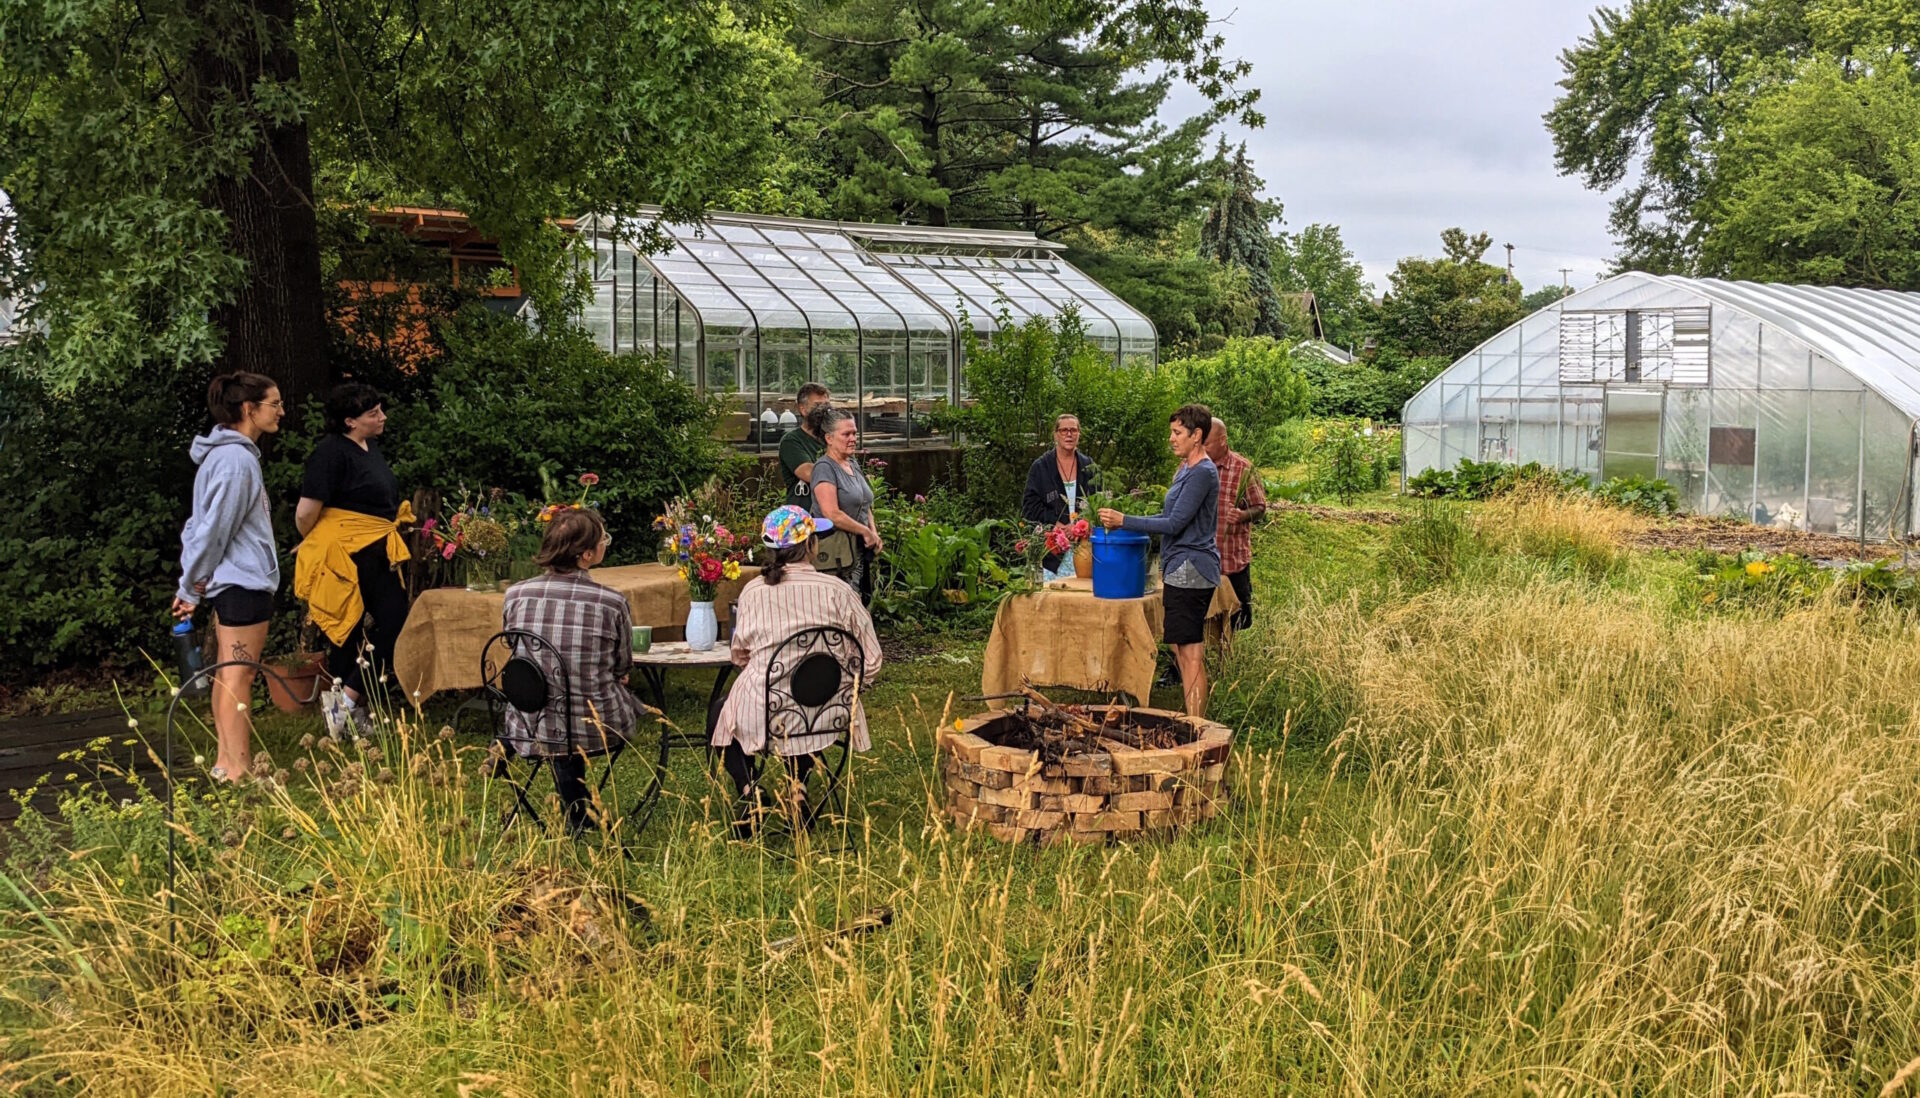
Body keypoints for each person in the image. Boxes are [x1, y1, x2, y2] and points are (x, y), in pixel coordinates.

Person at [712, 506, 882, 836]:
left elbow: (739, 653)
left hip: (767, 713)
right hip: (827, 710)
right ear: (811, 546)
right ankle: (796, 789)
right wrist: (850, 683)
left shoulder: (754, 592)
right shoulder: (838, 591)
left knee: (722, 713)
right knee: (807, 694)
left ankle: (750, 793)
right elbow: (871, 658)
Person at [499, 508, 645, 835]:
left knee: (550, 701)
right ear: (587, 554)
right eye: (603, 539)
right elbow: (623, 664)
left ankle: (507, 744)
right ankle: (579, 810)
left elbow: (513, 647)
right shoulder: (611, 601)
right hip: (595, 725)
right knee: (602, 698)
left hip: (528, 721)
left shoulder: (515, 594)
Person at [172, 372, 285, 782]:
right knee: (240, 675)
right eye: (274, 404)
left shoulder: (223, 458)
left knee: (227, 672)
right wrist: (191, 586)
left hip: (232, 582)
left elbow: (197, 527)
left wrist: (193, 584)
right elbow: (212, 531)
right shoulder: (236, 462)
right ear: (248, 409)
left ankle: (224, 764)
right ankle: (240, 770)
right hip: (243, 583)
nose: (281, 412)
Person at [292, 382, 413, 736]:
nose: (382, 417)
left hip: (377, 550)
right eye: (372, 413)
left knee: (393, 623)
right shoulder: (330, 453)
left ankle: (347, 702)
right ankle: (343, 709)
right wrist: (318, 541)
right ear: (349, 421)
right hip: (346, 553)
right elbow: (306, 512)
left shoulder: (369, 447)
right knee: (347, 630)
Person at [1097, 404, 1219, 718]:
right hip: (1180, 569)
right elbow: (1167, 517)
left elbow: (1174, 524)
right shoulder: (1186, 469)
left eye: (1178, 433)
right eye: (1172, 431)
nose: (1171, 438)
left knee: (1190, 653)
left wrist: (1125, 520)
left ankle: (1196, 727)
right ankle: (1195, 722)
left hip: (1193, 569)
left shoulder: (1203, 472)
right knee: (1180, 648)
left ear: (1197, 436)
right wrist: (1127, 522)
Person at [809, 409, 883, 603]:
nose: (852, 439)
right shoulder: (824, 468)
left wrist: (872, 532)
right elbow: (831, 513)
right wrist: (865, 531)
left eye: (854, 433)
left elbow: (865, 503)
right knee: (842, 605)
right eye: (846, 434)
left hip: (857, 550)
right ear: (829, 438)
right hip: (836, 552)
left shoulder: (852, 463)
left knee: (859, 602)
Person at [1021, 413, 1101, 579]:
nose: (1069, 434)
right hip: (1052, 553)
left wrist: (1079, 527)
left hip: (1085, 550)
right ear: (1056, 434)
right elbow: (1029, 507)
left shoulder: (1089, 466)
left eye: (1073, 430)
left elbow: (1099, 504)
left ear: (1079, 434)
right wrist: (1056, 523)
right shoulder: (1040, 467)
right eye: (1064, 430)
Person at [1205, 417, 1266, 632]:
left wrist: (1242, 516)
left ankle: (1230, 660)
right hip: (1201, 562)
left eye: (1208, 443)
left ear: (1223, 440)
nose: (1203, 448)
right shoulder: (1191, 465)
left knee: (1238, 619)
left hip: (1232, 560)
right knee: (1200, 620)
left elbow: (1260, 507)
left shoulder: (1242, 469)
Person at [778, 382, 832, 509]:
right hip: (803, 518)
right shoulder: (791, 441)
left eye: (827, 405)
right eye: (818, 405)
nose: (824, 411)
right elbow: (810, 473)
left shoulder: (831, 438)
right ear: (803, 409)